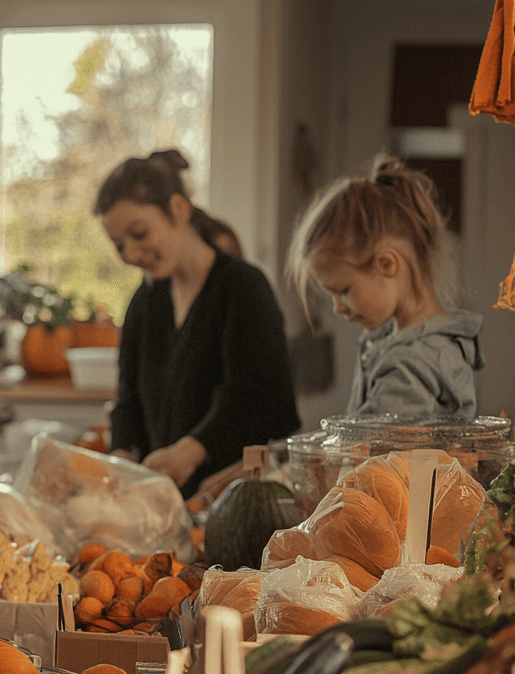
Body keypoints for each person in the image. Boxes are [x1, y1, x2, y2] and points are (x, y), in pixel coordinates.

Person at [96, 149, 301, 498]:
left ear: (178, 209)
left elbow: (263, 401)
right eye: (119, 244)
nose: (129, 254)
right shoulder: (143, 303)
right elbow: (128, 400)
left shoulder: (243, 287)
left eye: (140, 234)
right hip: (163, 506)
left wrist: (191, 451)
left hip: (237, 501)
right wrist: (122, 460)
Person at [286, 155, 483, 418]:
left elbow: (372, 448)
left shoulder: (412, 359)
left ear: (387, 264)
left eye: (343, 291)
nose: (337, 309)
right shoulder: (418, 340)